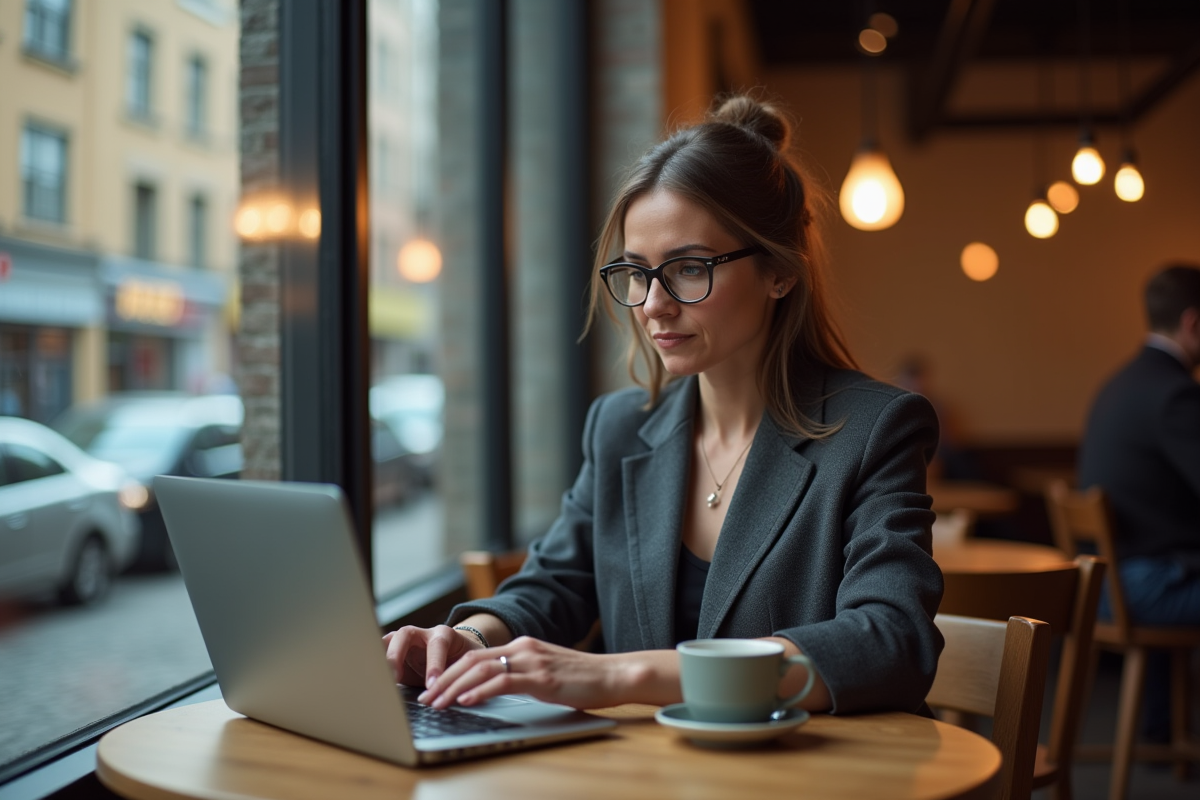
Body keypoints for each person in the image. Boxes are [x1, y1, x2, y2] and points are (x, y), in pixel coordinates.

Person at [385, 94, 944, 716]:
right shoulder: (621, 427)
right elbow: (557, 586)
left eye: (688, 268)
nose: (652, 304)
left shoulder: (874, 429)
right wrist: (463, 640)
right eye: (636, 271)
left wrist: (623, 677)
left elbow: (892, 641)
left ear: (780, 272)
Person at [1077, 263, 1200, 742]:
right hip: (1140, 589)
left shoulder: (1117, 385)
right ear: (1193, 323)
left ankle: (1161, 731)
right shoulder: (1175, 394)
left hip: (1104, 583)